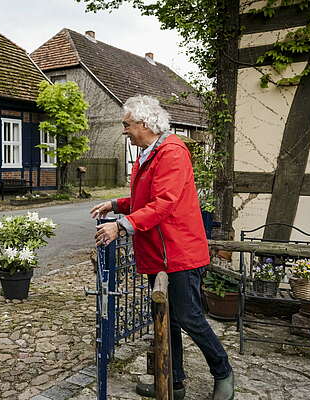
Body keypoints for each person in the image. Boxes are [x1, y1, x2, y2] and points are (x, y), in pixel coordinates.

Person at [90, 95, 234, 400]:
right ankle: (173, 382)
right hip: (159, 253)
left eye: (126, 124)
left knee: (188, 317)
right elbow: (145, 200)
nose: (124, 130)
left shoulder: (171, 152)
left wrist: (120, 225)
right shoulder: (149, 154)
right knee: (165, 321)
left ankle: (223, 372)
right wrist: (116, 204)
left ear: (144, 123)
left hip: (179, 253)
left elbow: (164, 203)